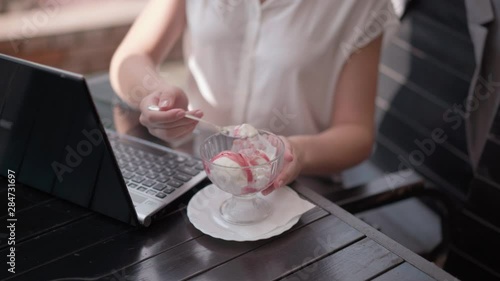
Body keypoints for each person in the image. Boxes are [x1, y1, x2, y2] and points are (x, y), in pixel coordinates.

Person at [109, 0, 397, 195]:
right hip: (194, 170)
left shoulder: (357, 6)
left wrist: (298, 151)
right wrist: (155, 95)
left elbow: (356, 133)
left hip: (295, 188)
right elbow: (131, 57)